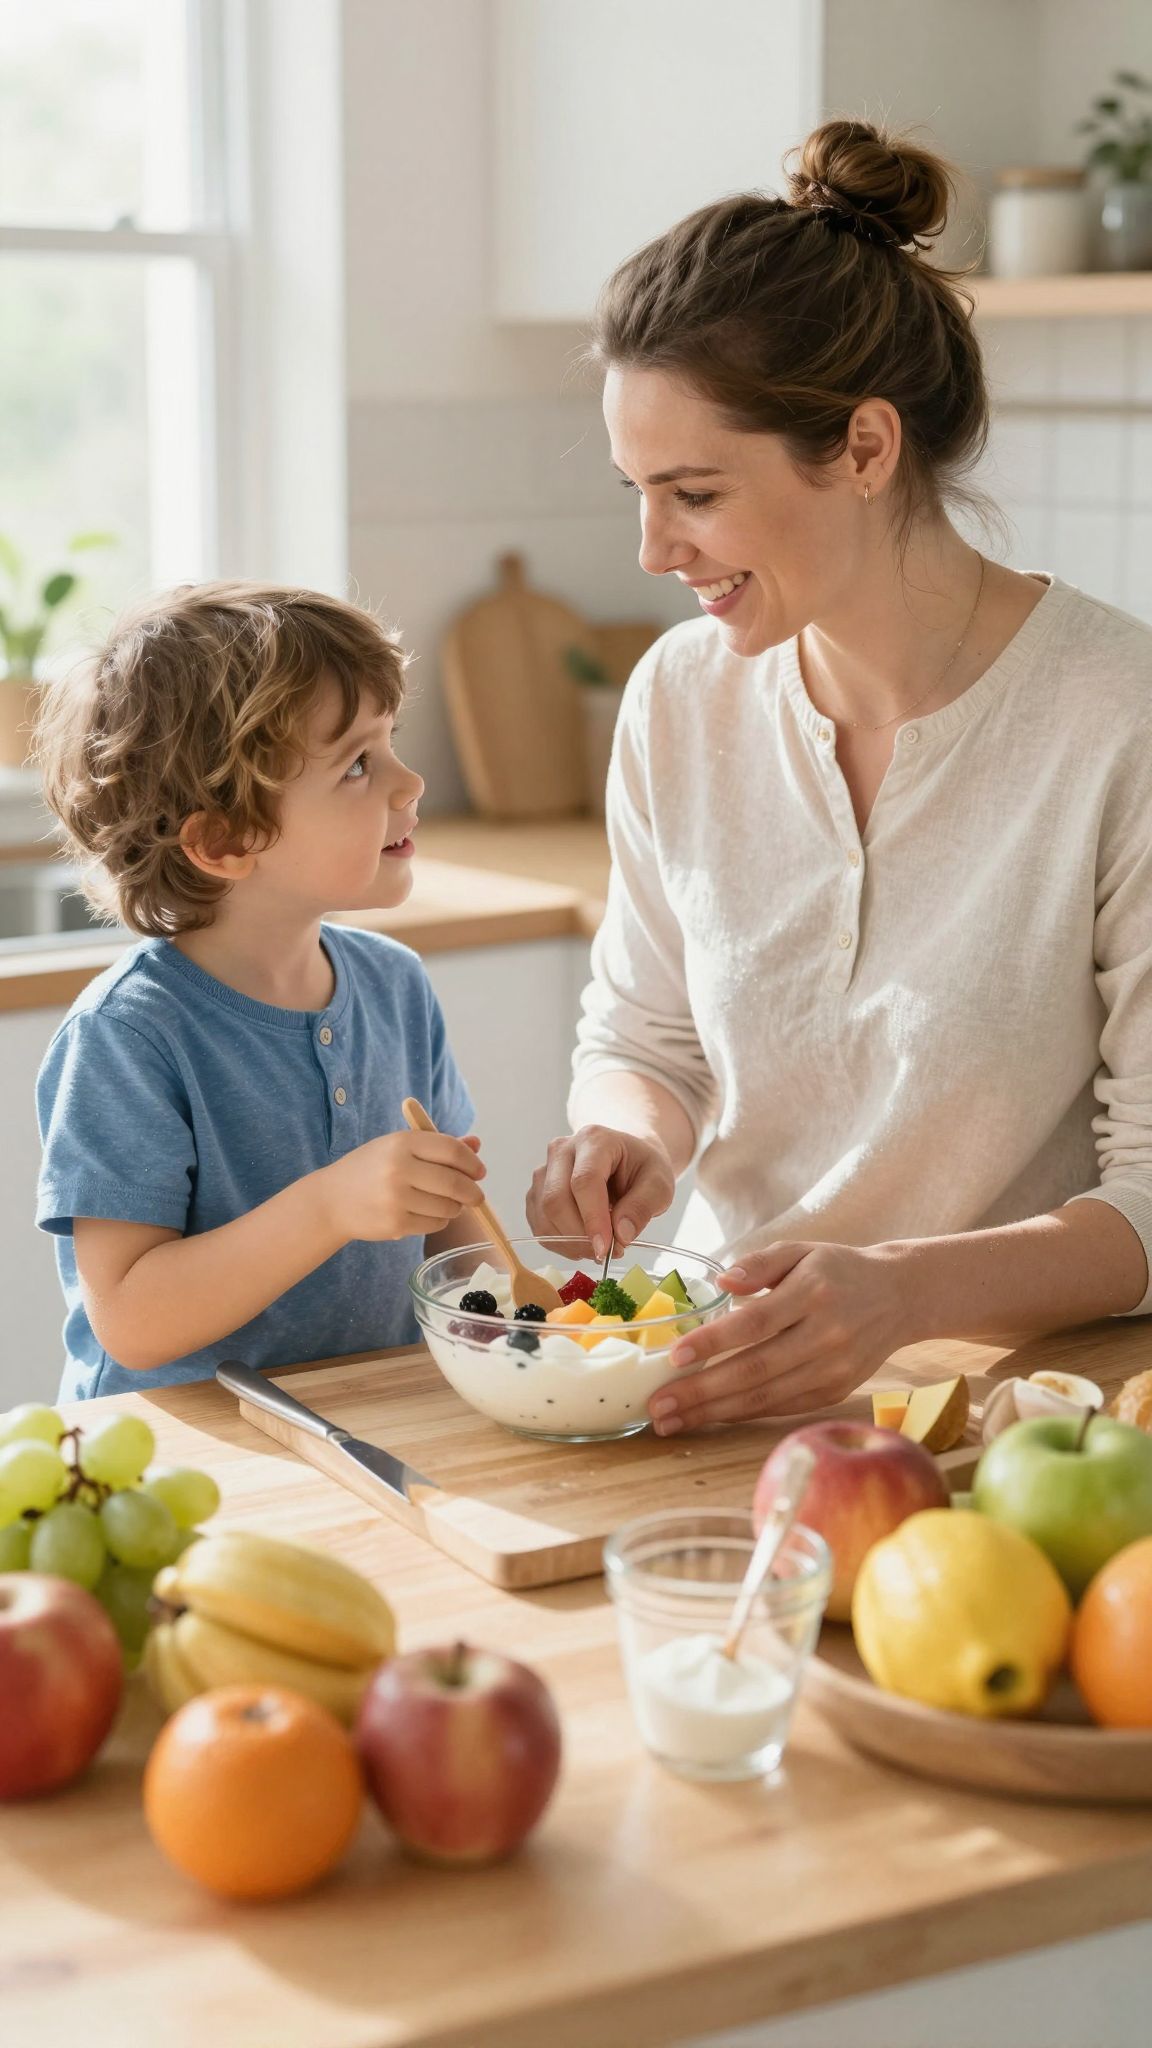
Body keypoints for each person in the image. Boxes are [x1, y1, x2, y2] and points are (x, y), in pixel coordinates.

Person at [527, 119, 1152, 1436]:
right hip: (714, 1382)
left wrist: (897, 1294)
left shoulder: (1117, 718)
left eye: (692, 492)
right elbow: (647, 1039)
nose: (652, 549)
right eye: (637, 491)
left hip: (1017, 1422)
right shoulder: (681, 699)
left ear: (866, 450)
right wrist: (630, 1132)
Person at [35, 583, 485, 1400]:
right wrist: (329, 1206)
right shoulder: (129, 1037)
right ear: (226, 839)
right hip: (179, 1458)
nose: (409, 780)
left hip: (363, 1421)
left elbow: (452, 1233)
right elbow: (133, 1321)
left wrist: (521, 1318)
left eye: (390, 742)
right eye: (357, 763)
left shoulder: (396, 986)